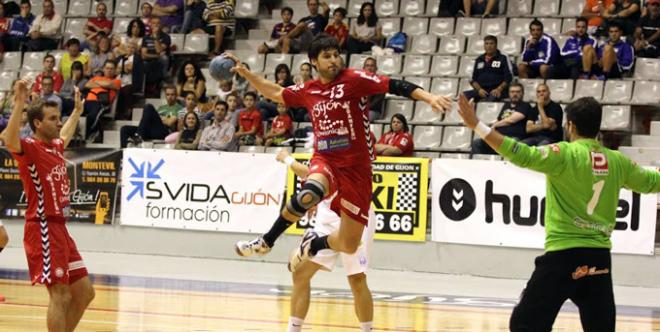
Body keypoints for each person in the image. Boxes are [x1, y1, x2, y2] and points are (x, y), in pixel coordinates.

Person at [228, 34, 451, 272]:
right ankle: (266, 240)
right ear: (314, 61)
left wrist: (430, 97)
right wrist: (247, 74)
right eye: (327, 56)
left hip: (357, 169)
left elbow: (394, 84)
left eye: (336, 55)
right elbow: (275, 92)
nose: (334, 60)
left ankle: (315, 244)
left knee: (348, 243)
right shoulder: (309, 89)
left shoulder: (353, 80)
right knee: (309, 193)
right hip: (326, 159)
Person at [455, 93, 660, 332]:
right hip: (598, 260)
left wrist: (477, 126)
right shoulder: (618, 162)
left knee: (524, 324)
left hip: (563, 258)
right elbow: (652, 182)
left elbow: (520, 153)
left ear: (570, 125)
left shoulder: (564, 154)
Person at [3, 80, 95, 332]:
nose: (57, 121)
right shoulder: (29, 148)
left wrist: (76, 112)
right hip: (42, 227)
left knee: (85, 292)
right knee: (60, 295)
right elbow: (8, 139)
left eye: (58, 117)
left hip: (60, 230)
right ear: (37, 124)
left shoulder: (54, 146)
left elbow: (64, 134)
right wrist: (19, 103)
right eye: (52, 118)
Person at [275, 149, 377, 332]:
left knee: (357, 278)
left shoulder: (357, 138)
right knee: (300, 273)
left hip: (354, 211)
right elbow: (314, 177)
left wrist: (287, 159)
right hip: (327, 215)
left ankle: (367, 330)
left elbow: (311, 173)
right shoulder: (323, 139)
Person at [471, 82, 532, 155]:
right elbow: (498, 119)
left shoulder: (525, 105)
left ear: (522, 93)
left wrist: (496, 125)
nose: (515, 94)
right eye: (512, 92)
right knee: (476, 143)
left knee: (513, 142)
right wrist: (491, 131)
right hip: (499, 137)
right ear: (509, 93)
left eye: (518, 92)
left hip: (513, 137)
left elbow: (511, 120)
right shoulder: (506, 105)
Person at [464, 35, 513, 102]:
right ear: (484, 45)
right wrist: (479, 89)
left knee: (489, 100)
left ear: (496, 45)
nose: (489, 46)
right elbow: (473, 79)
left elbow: (508, 78)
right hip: (482, 90)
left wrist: (499, 89)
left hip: (497, 91)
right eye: (486, 43)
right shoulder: (479, 59)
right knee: (462, 97)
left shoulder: (502, 58)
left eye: (491, 43)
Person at [83, 60, 121, 142]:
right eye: (107, 68)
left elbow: (109, 84)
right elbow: (87, 85)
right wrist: (103, 84)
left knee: (92, 116)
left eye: (111, 68)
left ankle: (89, 133)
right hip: (87, 102)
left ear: (115, 70)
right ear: (103, 69)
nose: (109, 70)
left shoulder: (117, 81)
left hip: (101, 104)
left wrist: (95, 83)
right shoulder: (97, 77)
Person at [361, 57, 385, 121]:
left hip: (372, 111)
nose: (369, 68)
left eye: (372, 66)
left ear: (376, 68)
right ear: (363, 68)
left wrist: (362, 108)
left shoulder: (380, 82)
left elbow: (376, 103)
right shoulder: (358, 82)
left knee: (364, 117)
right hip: (359, 110)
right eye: (367, 65)